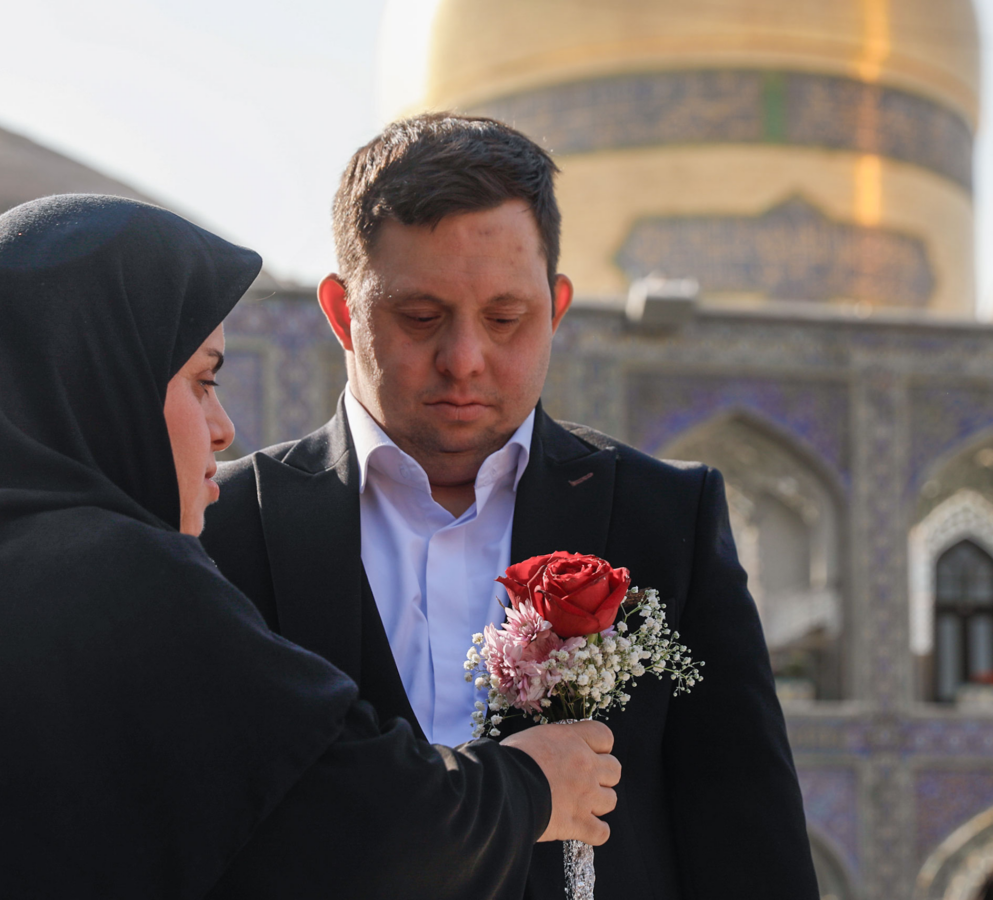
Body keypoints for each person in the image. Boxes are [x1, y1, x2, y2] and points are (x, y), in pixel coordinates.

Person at [0, 194, 622, 898]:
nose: (223, 429)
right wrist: (533, 787)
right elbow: (370, 827)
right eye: (200, 382)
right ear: (99, 386)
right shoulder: (121, 582)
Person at [200, 114, 822, 899]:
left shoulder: (665, 520)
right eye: (420, 317)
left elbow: (748, 841)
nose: (464, 359)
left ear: (556, 308)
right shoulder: (225, 527)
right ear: (341, 313)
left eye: (505, 319)